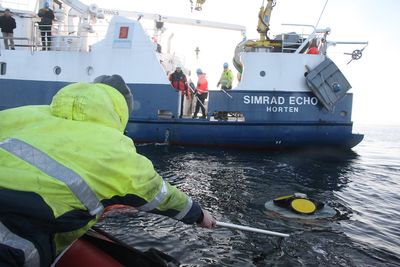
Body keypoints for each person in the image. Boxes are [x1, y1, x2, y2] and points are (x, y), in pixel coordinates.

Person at [0, 74, 216, 267]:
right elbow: (159, 194)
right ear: (121, 110)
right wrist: (199, 215)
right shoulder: (116, 150)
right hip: (13, 242)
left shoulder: (23, 113)